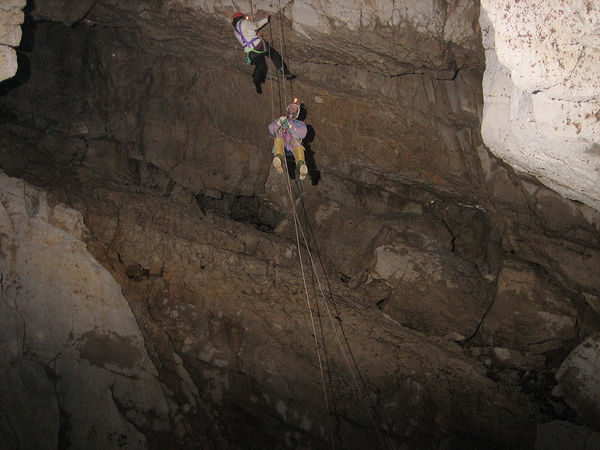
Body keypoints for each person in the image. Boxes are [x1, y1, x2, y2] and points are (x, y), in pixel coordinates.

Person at [231, 12, 296, 94]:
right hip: (259, 45)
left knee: (261, 66)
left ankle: (257, 82)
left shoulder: (235, 31)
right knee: (274, 55)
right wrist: (266, 19)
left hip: (251, 52)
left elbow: (246, 36)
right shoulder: (244, 22)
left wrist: (255, 33)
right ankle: (285, 72)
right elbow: (256, 26)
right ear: (241, 17)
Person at [268, 100, 308, 180]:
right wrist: (279, 123)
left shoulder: (300, 123)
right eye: (291, 107)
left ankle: (301, 165)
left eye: (294, 108)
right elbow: (271, 129)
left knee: (297, 143)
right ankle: (278, 158)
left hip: (292, 144)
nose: (292, 109)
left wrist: (291, 127)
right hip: (282, 142)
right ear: (288, 109)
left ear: (297, 112)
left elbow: (303, 133)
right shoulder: (281, 119)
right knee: (279, 136)